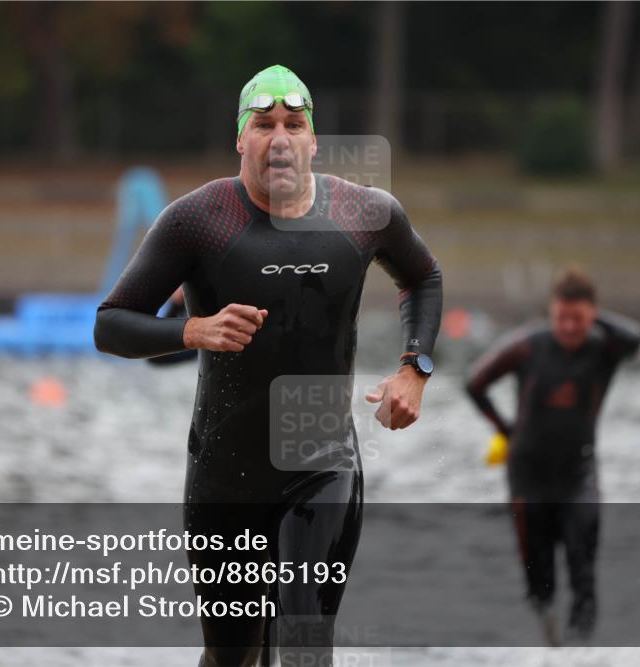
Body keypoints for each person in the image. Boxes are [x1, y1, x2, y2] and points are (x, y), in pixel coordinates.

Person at [95, 64, 442, 666]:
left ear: (313, 139)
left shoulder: (365, 213)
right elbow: (110, 323)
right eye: (263, 124)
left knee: (304, 638)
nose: (279, 137)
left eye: (293, 123)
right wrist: (192, 329)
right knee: (232, 656)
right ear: (240, 139)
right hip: (225, 474)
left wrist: (415, 368)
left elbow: (423, 277)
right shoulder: (196, 220)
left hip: (322, 464)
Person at [464, 267, 640, 646]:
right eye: (562, 317)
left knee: (583, 570)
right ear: (551, 313)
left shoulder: (603, 349)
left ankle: (582, 650)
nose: (570, 327)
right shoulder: (528, 346)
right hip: (527, 477)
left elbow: (635, 339)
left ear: (593, 314)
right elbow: (474, 382)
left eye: (579, 318)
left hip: (578, 475)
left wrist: (596, 317)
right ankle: (549, 646)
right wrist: (504, 429)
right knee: (538, 576)